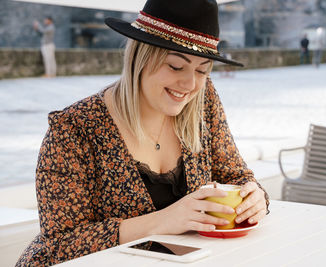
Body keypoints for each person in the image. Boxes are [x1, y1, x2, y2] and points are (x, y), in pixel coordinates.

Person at [16, 0, 269, 265]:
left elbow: (236, 176)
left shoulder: (203, 101)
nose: (190, 84)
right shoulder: (73, 129)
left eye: (202, 69)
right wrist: (164, 220)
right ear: (141, 57)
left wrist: (255, 198)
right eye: (175, 66)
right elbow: (61, 244)